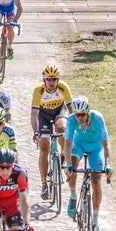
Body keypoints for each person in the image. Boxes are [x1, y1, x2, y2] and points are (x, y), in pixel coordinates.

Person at [63, 96, 111, 231]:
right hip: (79, 145)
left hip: (96, 148)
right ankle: (73, 196)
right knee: (73, 166)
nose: (80, 118)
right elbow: (67, 144)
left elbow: (106, 144)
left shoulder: (97, 118)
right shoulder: (72, 120)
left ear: (88, 111)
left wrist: (108, 164)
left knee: (96, 180)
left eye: (83, 114)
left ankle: (95, 222)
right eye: (77, 115)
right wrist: (68, 164)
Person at [31, 64, 73, 200]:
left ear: (58, 79)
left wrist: (73, 130)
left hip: (58, 112)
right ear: (44, 80)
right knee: (44, 148)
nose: (51, 82)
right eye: (48, 79)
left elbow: (71, 111)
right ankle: (44, 183)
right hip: (43, 115)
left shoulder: (63, 87)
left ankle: (62, 153)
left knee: (62, 129)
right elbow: (34, 114)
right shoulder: (39, 90)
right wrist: (36, 132)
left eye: (54, 79)